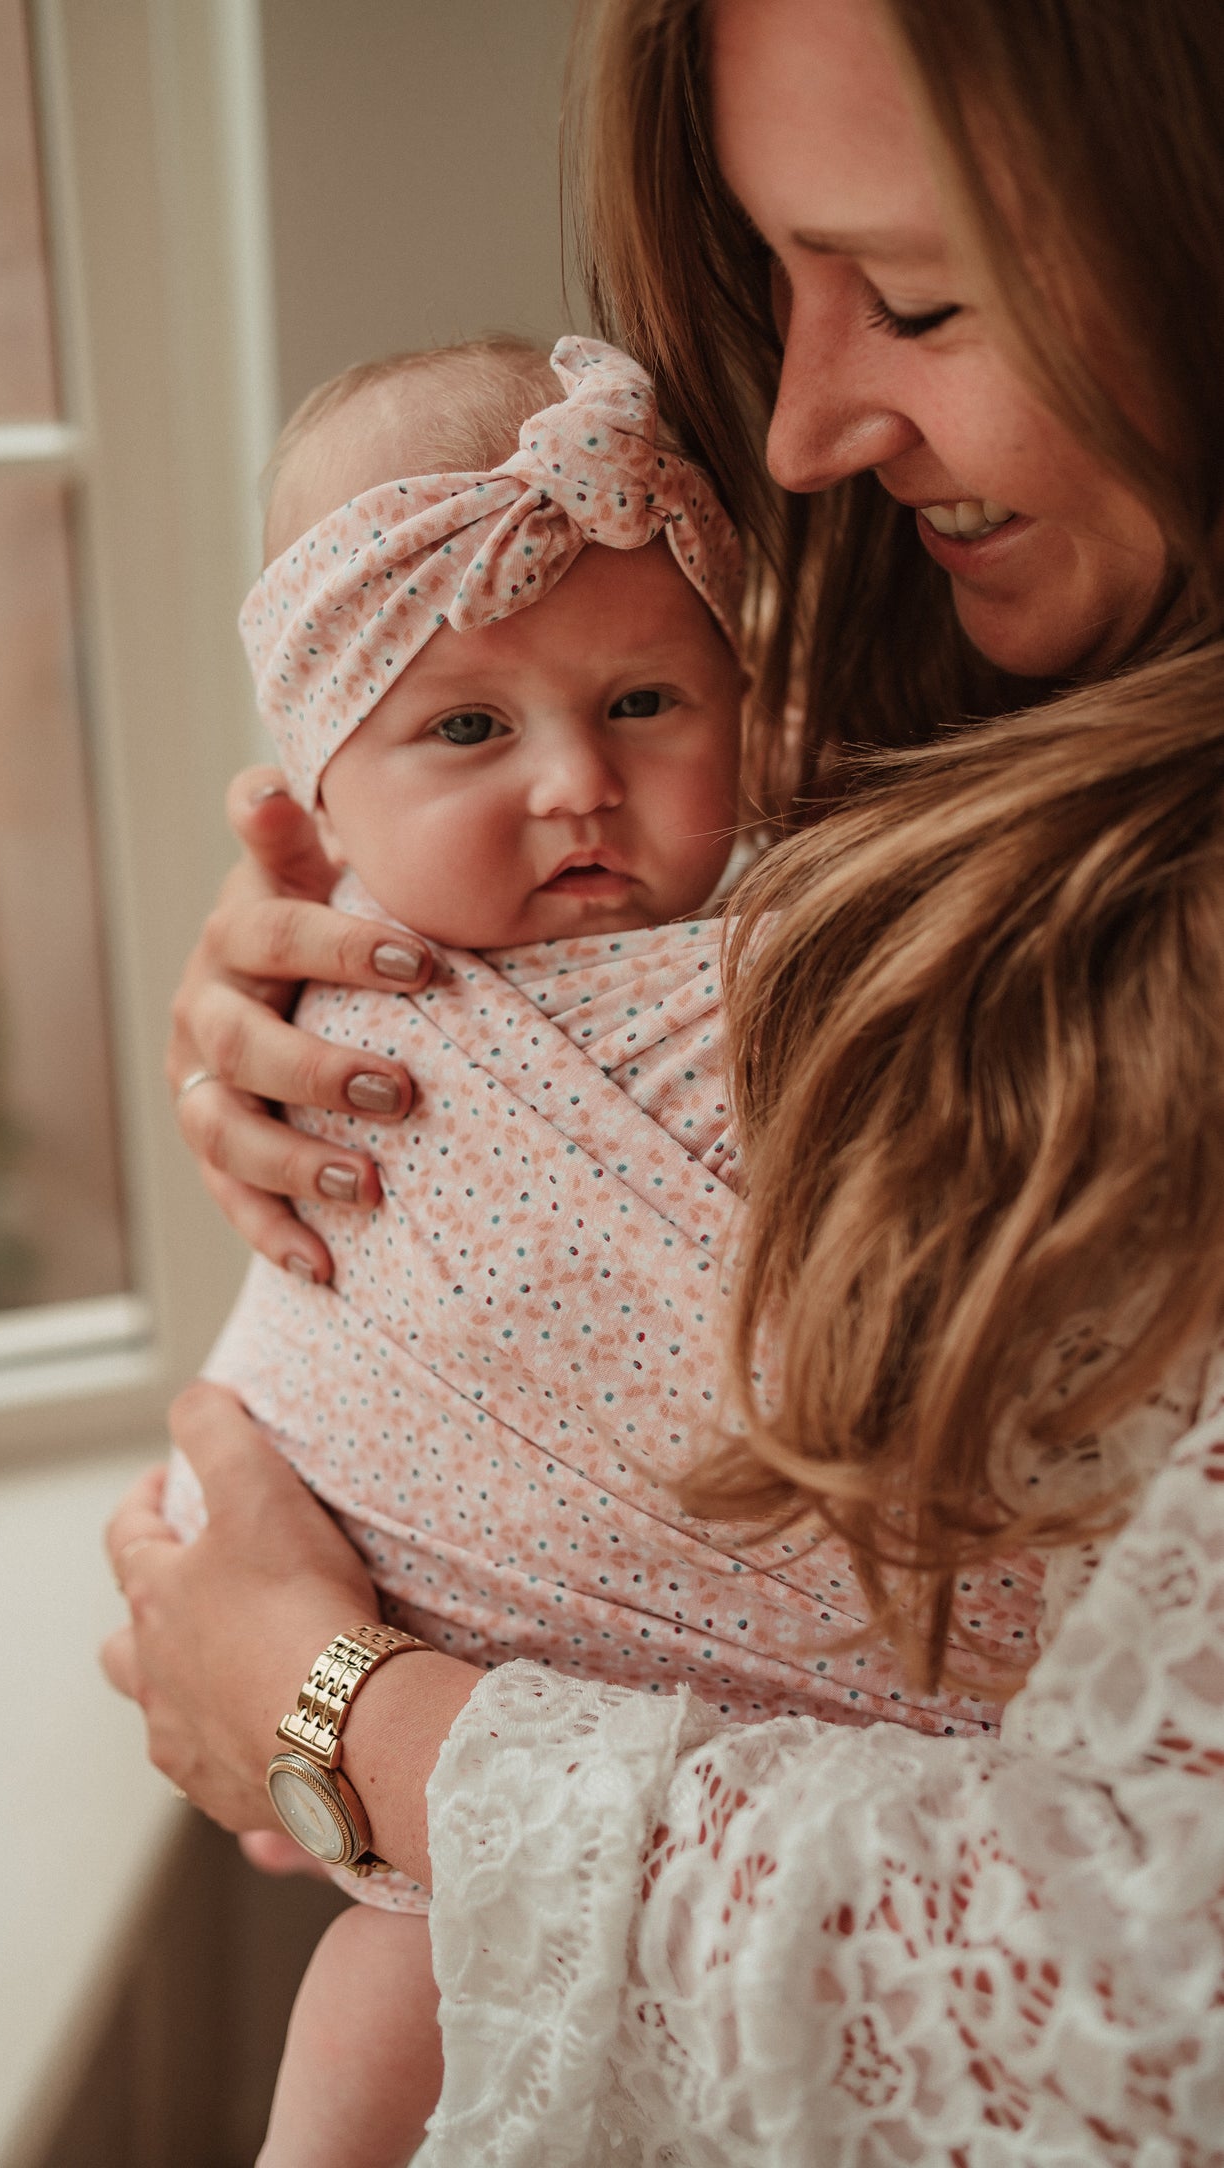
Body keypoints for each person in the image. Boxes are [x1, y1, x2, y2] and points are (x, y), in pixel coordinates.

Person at [104, 0, 1224, 2158]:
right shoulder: (919, 683)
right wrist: (359, 995)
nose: (796, 428)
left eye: (915, 296)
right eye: (774, 280)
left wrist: (350, 1718)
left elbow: (1157, 1987)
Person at [169, 330, 1039, 2167]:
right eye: (466, 728)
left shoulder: (835, 955)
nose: (574, 781)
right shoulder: (319, 1013)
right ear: (315, 796)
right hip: (435, 1726)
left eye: (644, 702)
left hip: (817, 1801)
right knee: (373, 2024)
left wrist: (323, 1710)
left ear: (751, 714)